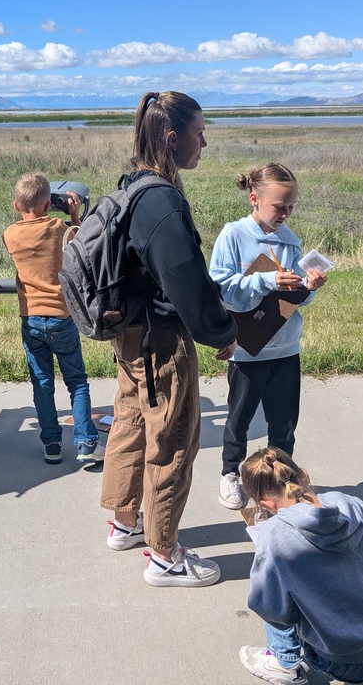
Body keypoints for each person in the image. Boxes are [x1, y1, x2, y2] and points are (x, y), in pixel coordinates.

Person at [101, 91, 238, 588]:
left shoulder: (133, 186)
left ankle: (124, 521)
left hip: (132, 337)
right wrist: (222, 331)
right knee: (173, 442)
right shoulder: (161, 199)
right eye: (200, 132)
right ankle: (164, 555)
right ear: (172, 136)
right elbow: (184, 283)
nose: (205, 142)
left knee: (131, 425)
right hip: (162, 342)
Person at [238, 447, 363, 685]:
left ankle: (284, 662)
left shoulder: (273, 534)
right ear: (304, 474)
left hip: (339, 658)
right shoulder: (349, 502)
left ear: (266, 504)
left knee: (273, 589)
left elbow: (273, 611)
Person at [209, 163, 326, 511]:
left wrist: (310, 287)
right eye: (279, 206)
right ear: (254, 199)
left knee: (284, 422)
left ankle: (283, 479)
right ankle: (231, 473)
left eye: (291, 207)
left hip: (285, 347)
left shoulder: (290, 241)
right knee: (239, 418)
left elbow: (295, 298)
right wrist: (267, 281)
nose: (285, 214)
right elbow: (222, 289)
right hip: (247, 348)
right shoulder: (233, 235)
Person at [3, 173, 102, 465]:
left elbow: (30, 223)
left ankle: (52, 444)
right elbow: (83, 241)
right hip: (62, 316)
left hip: (31, 318)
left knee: (42, 384)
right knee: (77, 381)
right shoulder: (60, 228)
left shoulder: (10, 234)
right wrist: (73, 212)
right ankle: (85, 442)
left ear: (15, 205)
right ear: (49, 204)